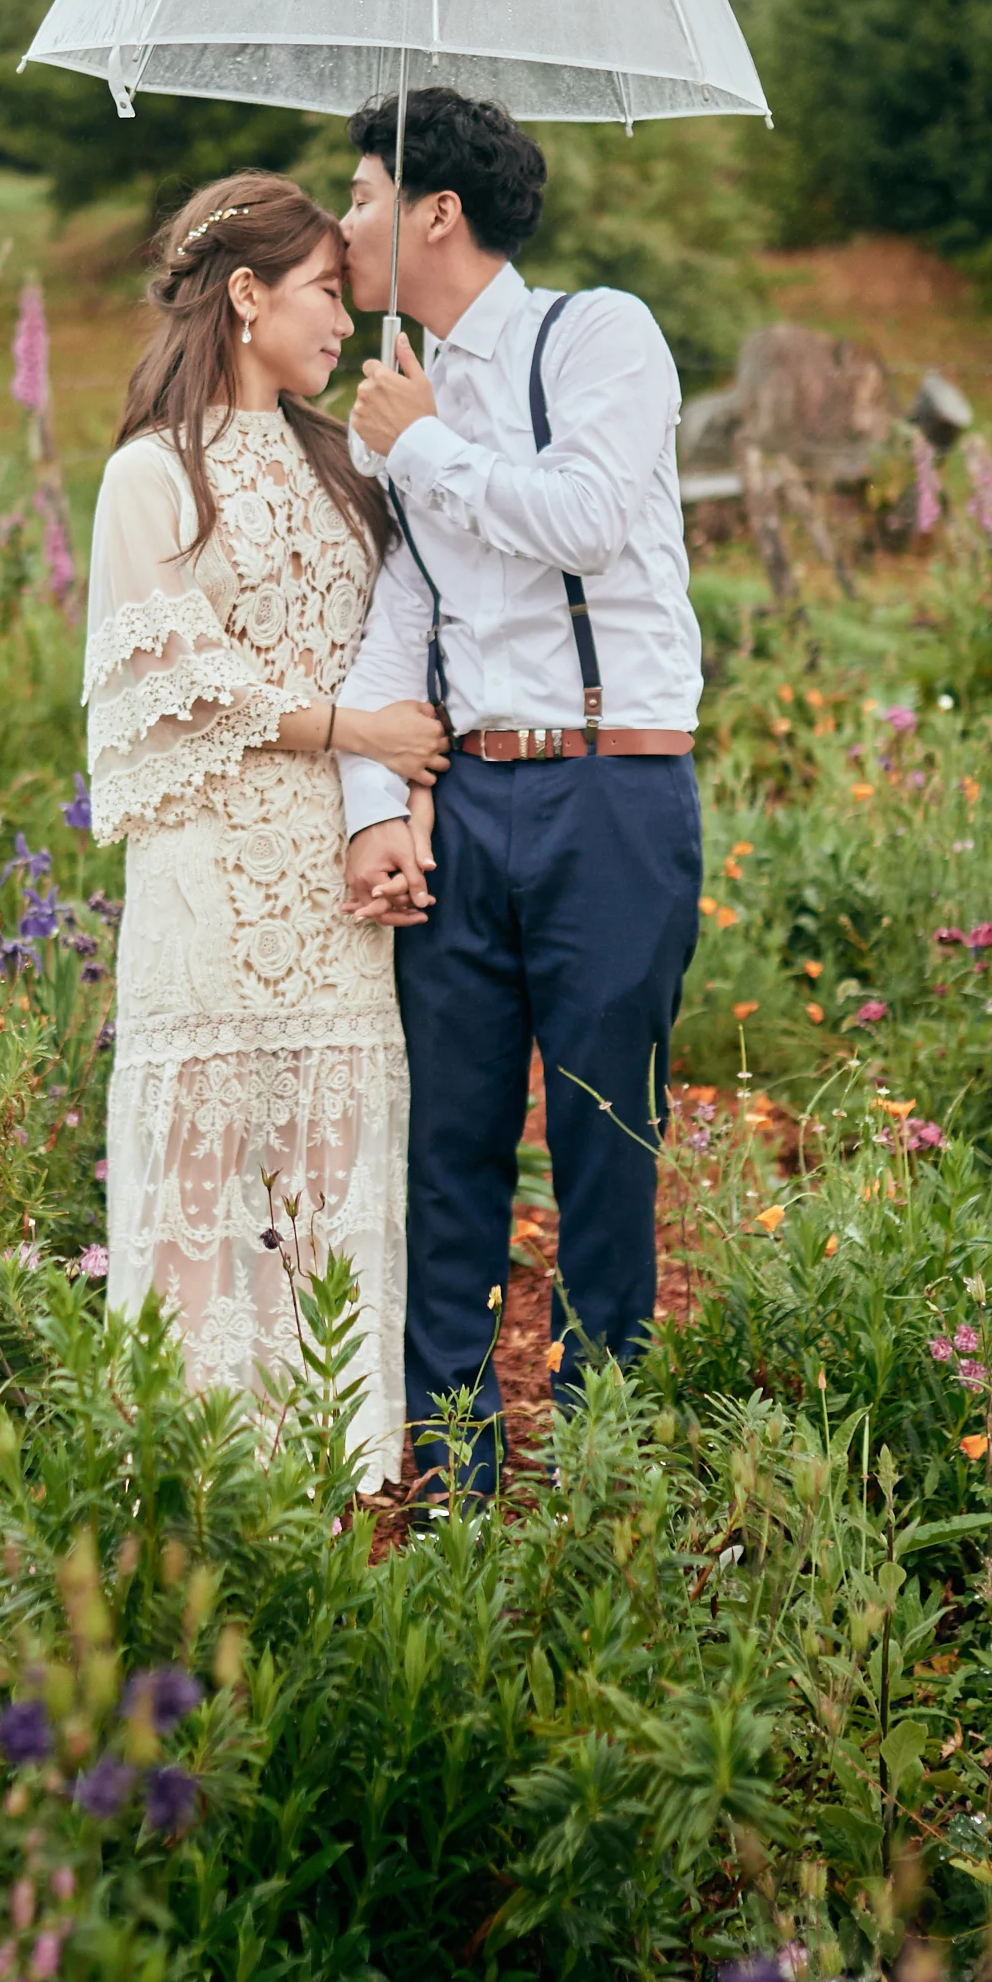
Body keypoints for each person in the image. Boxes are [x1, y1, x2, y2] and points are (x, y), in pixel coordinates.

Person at [335, 88, 705, 1496]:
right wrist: (375, 799)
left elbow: (588, 516)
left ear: (437, 210)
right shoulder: (393, 396)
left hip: (611, 789)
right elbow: (397, 619)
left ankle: (605, 1471)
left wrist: (424, 441)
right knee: (452, 1143)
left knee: (608, 1141)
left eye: (364, 194)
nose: (347, 221)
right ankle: (454, 1478)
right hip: (464, 802)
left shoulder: (600, 333)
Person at [84, 169, 450, 1488]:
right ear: (246, 296)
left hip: (332, 890)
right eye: (324, 296)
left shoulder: (345, 465)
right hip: (208, 879)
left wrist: (402, 810)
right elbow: (183, 682)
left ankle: (326, 1497)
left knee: (324, 1199)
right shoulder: (149, 478)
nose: (346, 325)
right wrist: (355, 734)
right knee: (201, 1197)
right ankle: (191, 1490)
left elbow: (401, 648)